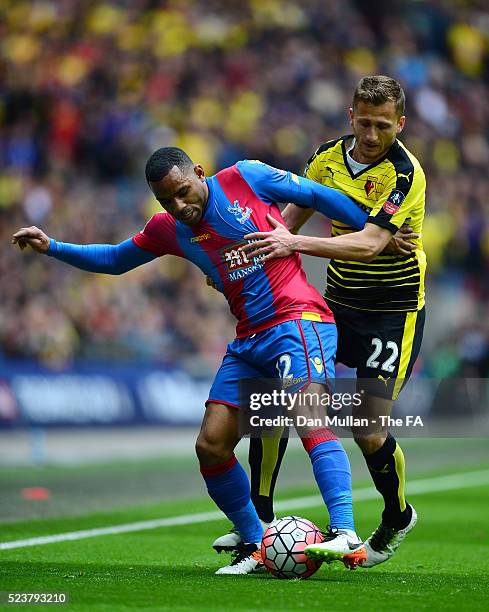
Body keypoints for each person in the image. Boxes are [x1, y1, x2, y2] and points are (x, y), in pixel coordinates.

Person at [13, 147, 372, 574]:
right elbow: (114, 259)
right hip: (249, 338)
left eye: (184, 192)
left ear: (199, 173)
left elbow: (316, 194)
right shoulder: (168, 229)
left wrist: (376, 231)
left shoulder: (247, 178)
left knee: (308, 416)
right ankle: (257, 544)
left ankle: (346, 532)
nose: (180, 207)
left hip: (298, 319)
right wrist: (52, 246)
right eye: (168, 201)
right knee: (211, 445)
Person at [227, 75, 426, 568]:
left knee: (367, 429)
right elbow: (289, 218)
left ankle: (397, 515)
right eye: (365, 122)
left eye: (384, 126)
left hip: (390, 310)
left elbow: (370, 245)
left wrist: (294, 244)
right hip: (335, 303)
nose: (373, 135)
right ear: (350, 116)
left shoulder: (405, 173)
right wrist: (243, 260)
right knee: (277, 394)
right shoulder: (326, 157)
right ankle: (257, 526)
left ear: (400, 124)